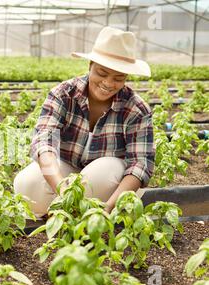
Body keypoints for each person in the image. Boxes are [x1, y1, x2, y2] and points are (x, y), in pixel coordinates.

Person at [13, 26, 155, 217]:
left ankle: (88, 212)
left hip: (107, 178)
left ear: (126, 78)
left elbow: (140, 164)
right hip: (65, 167)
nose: (108, 83)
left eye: (118, 78)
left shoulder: (136, 109)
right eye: (102, 73)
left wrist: (108, 209)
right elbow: (44, 142)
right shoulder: (63, 94)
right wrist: (62, 189)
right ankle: (65, 210)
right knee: (26, 184)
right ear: (90, 65)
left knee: (105, 172)